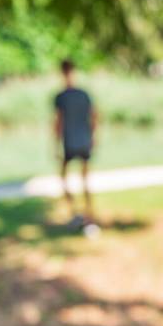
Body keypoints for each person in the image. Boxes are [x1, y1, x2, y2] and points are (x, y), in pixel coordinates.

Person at [54, 59, 97, 229]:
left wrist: (55, 145)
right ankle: (87, 213)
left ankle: (76, 213)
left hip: (70, 142)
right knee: (84, 179)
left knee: (65, 178)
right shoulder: (83, 94)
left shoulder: (62, 96)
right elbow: (94, 117)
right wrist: (93, 137)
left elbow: (58, 122)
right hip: (83, 140)